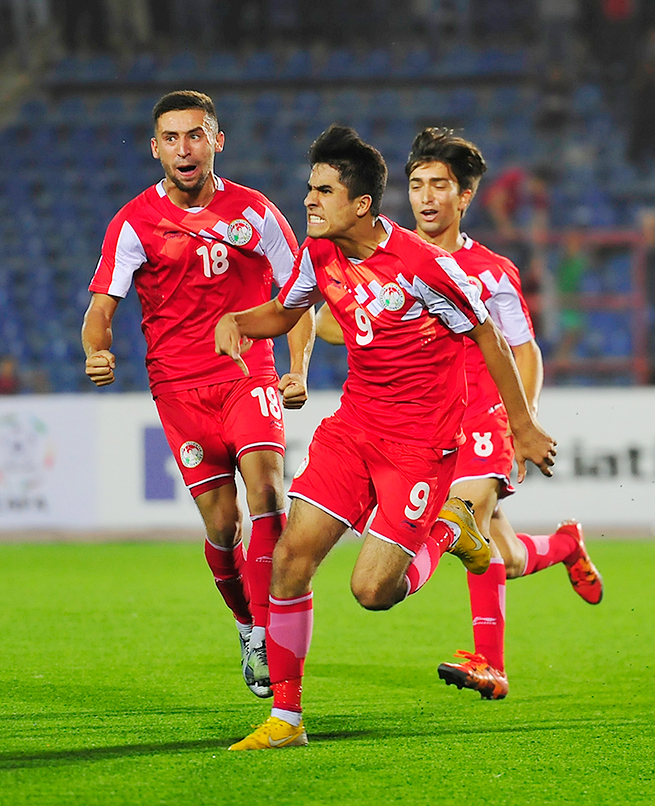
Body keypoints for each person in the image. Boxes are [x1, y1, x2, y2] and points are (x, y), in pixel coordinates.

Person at [218, 125, 557, 750]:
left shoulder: (424, 268)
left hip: (420, 448)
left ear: (361, 204)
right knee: (291, 562)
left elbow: (490, 337)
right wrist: (239, 321)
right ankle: (286, 721)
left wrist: (525, 425)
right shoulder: (319, 254)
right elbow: (287, 313)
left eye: (322, 192)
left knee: (373, 591)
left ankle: (451, 532)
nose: (310, 202)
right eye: (309, 190)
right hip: (351, 432)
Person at [313, 127, 602, 701]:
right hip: (418, 421)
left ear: (463, 196)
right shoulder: (385, 260)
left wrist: (525, 422)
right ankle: (566, 544)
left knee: (456, 520)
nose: (426, 196)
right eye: (417, 184)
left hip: (483, 416)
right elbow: (328, 323)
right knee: (506, 557)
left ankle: (489, 663)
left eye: (439, 186)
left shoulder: (492, 270)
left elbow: (523, 349)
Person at [82, 90, 314, 700]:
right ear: (155, 148)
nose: (184, 149)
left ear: (217, 140)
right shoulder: (134, 221)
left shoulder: (256, 211)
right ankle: (247, 624)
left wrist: (297, 367)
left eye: (195, 135)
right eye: (172, 138)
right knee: (221, 525)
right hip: (179, 389)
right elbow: (101, 306)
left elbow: (300, 291)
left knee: (267, 490)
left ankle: (269, 625)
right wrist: (95, 350)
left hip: (247, 373)